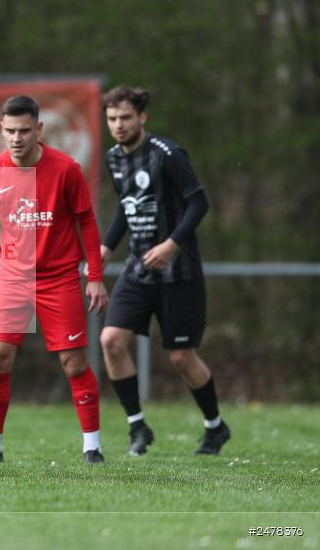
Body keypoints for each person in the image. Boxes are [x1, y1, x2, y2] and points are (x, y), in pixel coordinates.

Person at [0, 95, 109, 464]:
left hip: (60, 278)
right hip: (12, 278)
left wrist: (94, 277)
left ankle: (92, 446)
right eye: (10, 131)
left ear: (39, 130)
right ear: (1, 129)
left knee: (74, 363)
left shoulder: (66, 169)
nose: (17, 138)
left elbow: (87, 223)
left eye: (24, 131)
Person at [98, 85, 230, 456]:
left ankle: (215, 426)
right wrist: (108, 245)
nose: (119, 125)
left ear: (142, 117)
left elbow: (199, 203)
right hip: (137, 269)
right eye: (112, 119)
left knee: (181, 357)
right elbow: (127, 206)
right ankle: (138, 427)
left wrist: (172, 244)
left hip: (180, 272)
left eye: (125, 117)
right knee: (111, 341)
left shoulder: (167, 155)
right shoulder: (114, 158)